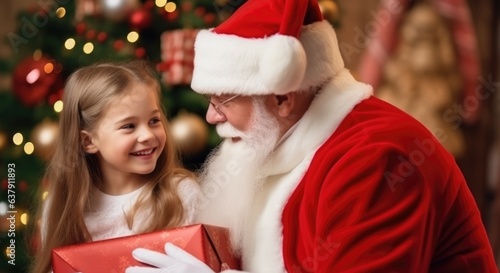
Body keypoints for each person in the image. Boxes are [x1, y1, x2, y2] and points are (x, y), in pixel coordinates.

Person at [126, 0, 498, 272]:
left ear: (283, 98)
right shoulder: (279, 143)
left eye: (223, 100)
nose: (211, 116)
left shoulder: (378, 156)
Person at [31, 61, 201, 273]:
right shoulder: (61, 206)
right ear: (88, 142)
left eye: (154, 120)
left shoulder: (182, 195)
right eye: (129, 126)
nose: (148, 135)